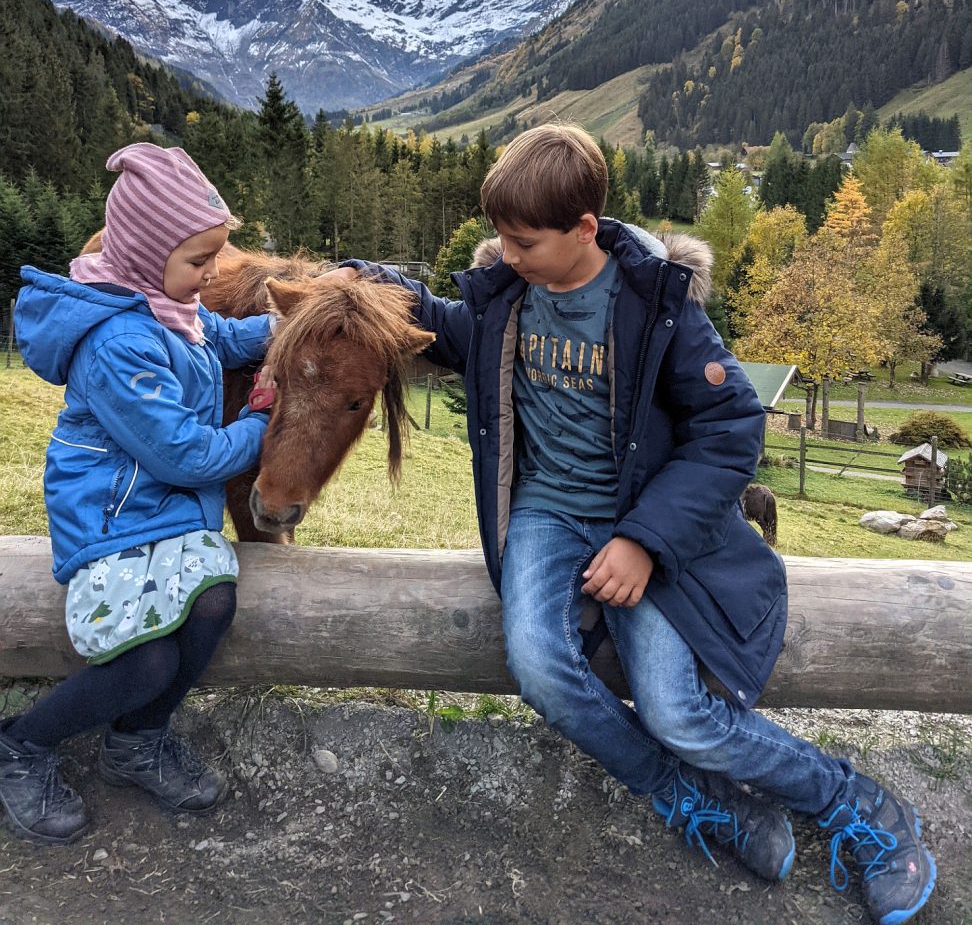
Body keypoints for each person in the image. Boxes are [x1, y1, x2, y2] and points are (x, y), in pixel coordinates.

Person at [328, 124, 935, 925]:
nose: (505, 255)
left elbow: (731, 432)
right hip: (546, 511)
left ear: (584, 229)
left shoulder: (655, 308)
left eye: (523, 241)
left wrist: (643, 541)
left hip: (637, 519)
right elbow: (438, 323)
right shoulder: (506, 298)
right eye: (501, 238)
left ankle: (860, 808)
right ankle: (690, 797)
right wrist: (349, 279)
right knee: (540, 669)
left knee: (676, 710)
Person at [1, 143, 274, 845]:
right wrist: (259, 423)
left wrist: (291, 326)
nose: (212, 274)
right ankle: (22, 746)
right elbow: (185, 453)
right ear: (146, 253)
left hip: (154, 503)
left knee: (214, 601)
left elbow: (221, 335)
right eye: (198, 261)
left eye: (217, 255)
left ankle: (136, 742)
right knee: (146, 658)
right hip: (112, 511)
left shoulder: (168, 304)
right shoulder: (120, 340)